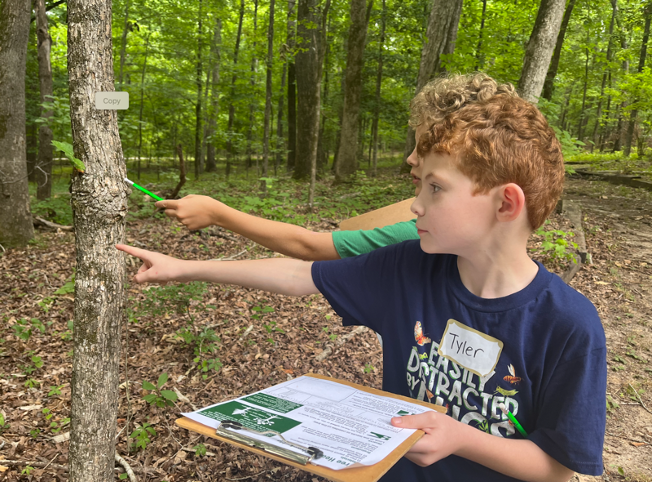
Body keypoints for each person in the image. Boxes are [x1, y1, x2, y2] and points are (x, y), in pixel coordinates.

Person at [117, 93, 607, 481]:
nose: (415, 205)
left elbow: (557, 467)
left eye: (434, 188)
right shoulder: (409, 268)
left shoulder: (567, 326)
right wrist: (183, 267)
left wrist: (462, 439)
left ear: (505, 205)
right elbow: (300, 274)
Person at [155, 73, 517, 261]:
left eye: (423, 147)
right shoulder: (475, 226)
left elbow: (310, 249)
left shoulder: (420, 235)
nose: (410, 158)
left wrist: (217, 213)